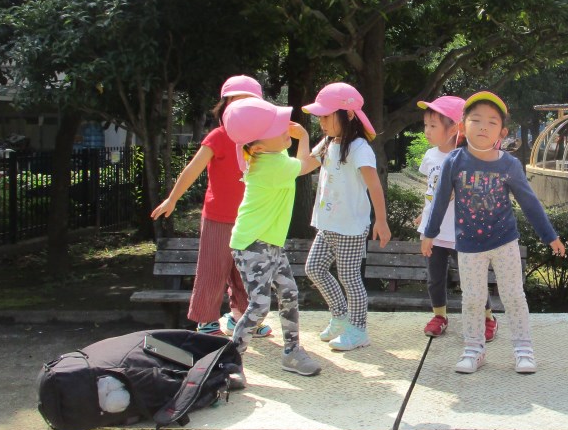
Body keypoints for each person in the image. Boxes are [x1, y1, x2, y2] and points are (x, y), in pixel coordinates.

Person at [422, 91, 566, 375]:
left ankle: (523, 350)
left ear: (502, 132)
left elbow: (529, 202)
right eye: (476, 120)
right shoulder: (454, 161)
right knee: (472, 299)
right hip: (468, 245)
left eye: (492, 122)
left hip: (504, 243)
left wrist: (550, 236)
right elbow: (439, 200)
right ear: (462, 126)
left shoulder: (508, 164)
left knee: (514, 296)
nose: (483, 127)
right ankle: (473, 350)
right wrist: (430, 233)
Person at [150, 75, 271, 338]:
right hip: (218, 217)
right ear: (226, 106)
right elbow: (193, 168)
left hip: (251, 218)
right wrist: (172, 198)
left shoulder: (263, 140)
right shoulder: (219, 136)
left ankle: (244, 316)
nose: (243, 109)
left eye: (250, 104)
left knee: (248, 270)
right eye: (237, 102)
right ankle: (206, 321)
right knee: (213, 268)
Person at [223, 98, 322, 377]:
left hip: (269, 243)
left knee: (289, 293)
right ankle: (229, 363)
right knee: (259, 305)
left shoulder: (270, 157)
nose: (284, 129)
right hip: (253, 244)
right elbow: (307, 164)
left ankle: (292, 353)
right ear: (257, 147)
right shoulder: (271, 165)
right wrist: (308, 137)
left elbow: (301, 161)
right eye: (276, 129)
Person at [302, 83, 391, 352]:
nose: (321, 122)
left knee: (350, 278)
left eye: (326, 116)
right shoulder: (328, 143)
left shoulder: (359, 148)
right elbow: (303, 166)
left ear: (349, 115)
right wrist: (300, 138)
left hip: (351, 227)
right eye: (320, 116)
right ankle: (340, 317)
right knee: (314, 269)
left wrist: (381, 221)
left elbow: (375, 185)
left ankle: (358, 329)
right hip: (327, 225)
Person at [416, 96, 498, 341]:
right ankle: (439, 316)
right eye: (426, 125)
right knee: (435, 278)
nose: (427, 131)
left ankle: (488, 318)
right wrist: (423, 215)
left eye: (433, 125)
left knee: (471, 280)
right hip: (433, 232)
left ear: (454, 128)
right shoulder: (430, 155)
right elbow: (429, 190)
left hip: (461, 232)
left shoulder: (467, 158)